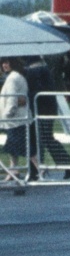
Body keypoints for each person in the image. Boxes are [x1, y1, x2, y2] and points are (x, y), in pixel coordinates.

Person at [23, 57, 70, 179]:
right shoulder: (42, 68)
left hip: (42, 109)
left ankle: (65, 163)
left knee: (42, 138)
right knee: (39, 138)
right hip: (46, 108)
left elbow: (36, 89)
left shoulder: (35, 70)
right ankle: (35, 170)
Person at [0, 56, 31, 190]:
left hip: (15, 119)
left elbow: (12, 99)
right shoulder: (16, 76)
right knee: (12, 147)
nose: (4, 65)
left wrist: (6, 116)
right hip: (18, 118)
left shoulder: (12, 78)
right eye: (3, 63)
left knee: (16, 146)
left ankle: (34, 170)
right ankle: (14, 170)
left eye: (7, 63)